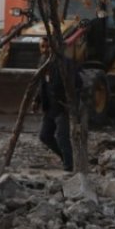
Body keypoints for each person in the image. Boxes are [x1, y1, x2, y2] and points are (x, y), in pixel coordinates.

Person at [36, 37, 78, 172]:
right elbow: (42, 84)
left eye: (47, 46)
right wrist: (37, 100)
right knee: (45, 136)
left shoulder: (65, 63)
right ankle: (65, 158)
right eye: (42, 47)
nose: (45, 50)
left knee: (62, 136)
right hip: (49, 107)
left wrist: (69, 101)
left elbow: (76, 83)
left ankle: (69, 166)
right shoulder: (42, 62)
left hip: (62, 106)